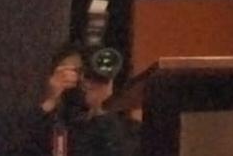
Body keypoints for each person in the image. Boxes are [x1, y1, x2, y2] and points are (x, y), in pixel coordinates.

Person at [8, 44, 137, 156]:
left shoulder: (119, 129)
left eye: (90, 75)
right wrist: (50, 102)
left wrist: (100, 107)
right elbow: (13, 148)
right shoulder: (38, 122)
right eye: (72, 72)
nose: (83, 81)